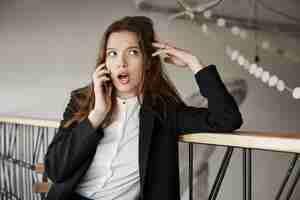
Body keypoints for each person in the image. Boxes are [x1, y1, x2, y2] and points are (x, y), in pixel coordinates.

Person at [44, 16, 243, 200]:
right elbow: (55, 169)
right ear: (105, 63)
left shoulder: (164, 110)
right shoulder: (82, 100)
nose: (121, 63)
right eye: (112, 54)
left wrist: (194, 64)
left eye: (132, 52)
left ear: (147, 61)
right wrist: (96, 116)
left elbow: (227, 118)